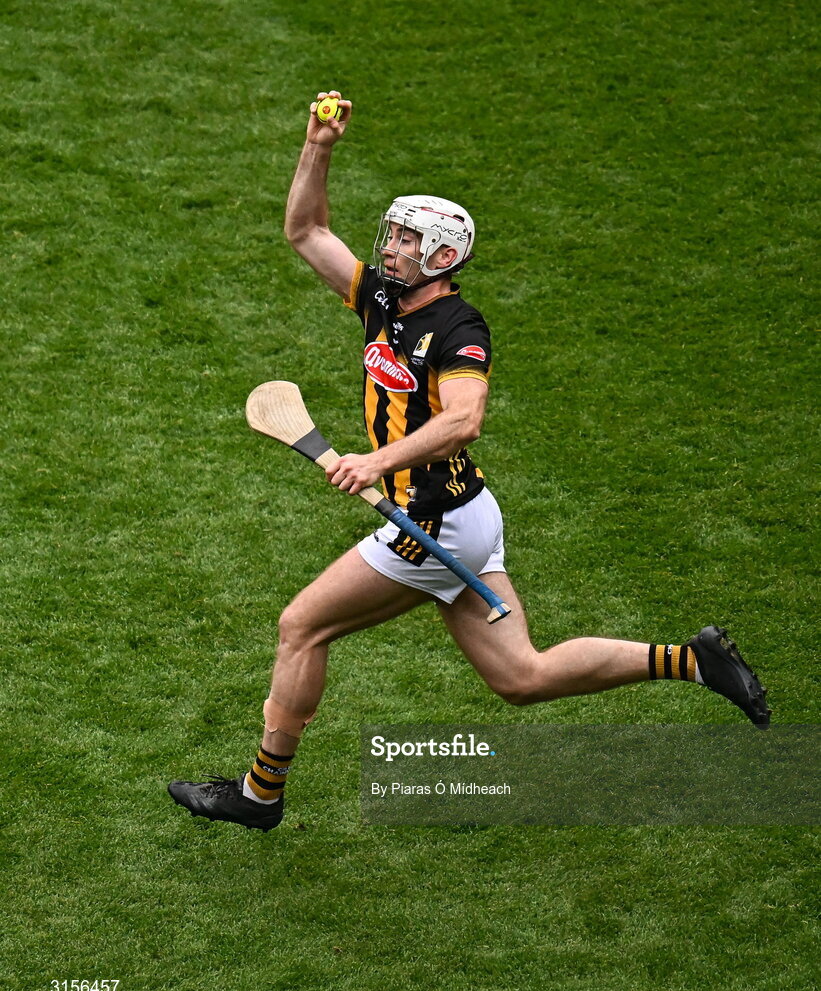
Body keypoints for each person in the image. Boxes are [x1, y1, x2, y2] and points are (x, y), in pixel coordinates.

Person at [168, 92, 771, 832]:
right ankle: (692, 661)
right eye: (389, 235)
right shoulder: (380, 303)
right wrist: (318, 146)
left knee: (302, 626)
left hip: (430, 524)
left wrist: (372, 461)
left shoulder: (457, 328)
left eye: (403, 240)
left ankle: (259, 795)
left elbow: (464, 420)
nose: (387, 248)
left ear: (443, 257)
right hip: (468, 514)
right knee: (521, 677)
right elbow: (306, 229)